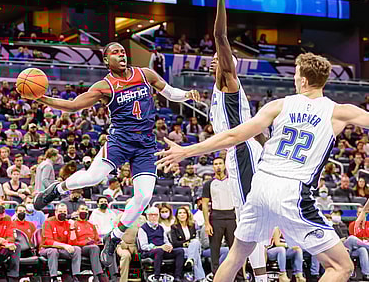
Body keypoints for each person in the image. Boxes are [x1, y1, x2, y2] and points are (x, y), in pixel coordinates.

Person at [157, 50, 366, 282]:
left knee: (237, 254)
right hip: (292, 191)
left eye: (296, 75)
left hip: (261, 186)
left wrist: (187, 151)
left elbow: (233, 136)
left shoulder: (279, 105)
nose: (294, 79)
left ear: (304, 80)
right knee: (341, 266)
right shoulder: (339, 112)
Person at [31, 41, 199, 267]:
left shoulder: (145, 74)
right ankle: (58, 189)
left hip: (145, 143)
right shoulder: (105, 86)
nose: (121, 54)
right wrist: (42, 98)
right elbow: (72, 106)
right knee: (92, 177)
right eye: (115, 52)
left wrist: (188, 94)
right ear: (106, 60)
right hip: (120, 140)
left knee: (144, 197)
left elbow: (170, 92)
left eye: (122, 51)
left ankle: (114, 237)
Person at [174, 0, 271, 282]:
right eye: (215, 57)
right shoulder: (219, 90)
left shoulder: (229, 78)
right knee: (250, 219)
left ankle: (262, 276)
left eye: (220, 55)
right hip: (240, 151)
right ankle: (260, 274)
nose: (215, 57)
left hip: (242, 151)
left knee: (249, 217)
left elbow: (219, 35)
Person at [138, 206, 184, 282]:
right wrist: (159, 247)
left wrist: (169, 246)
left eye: (155, 215)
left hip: (162, 250)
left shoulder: (161, 228)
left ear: (158, 216)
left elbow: (166, 241)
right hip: (149, 252)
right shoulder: (143, 229)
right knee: (159, 251)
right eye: (151, 215)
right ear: (147, 216)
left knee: (180, 251)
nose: (153, 217)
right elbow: (144, 246)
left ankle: (177, 276)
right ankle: (157, 277)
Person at [40, 203, 82, 281]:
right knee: (53, 251)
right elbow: (48, 241)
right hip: (47, 249)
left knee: (77, 249)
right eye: (60, 211)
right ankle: (54, 277)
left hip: (62, 250)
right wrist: (64, 246)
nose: (62, 213)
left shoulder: (67, 223)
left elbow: (73, 243)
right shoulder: (48, 222)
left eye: (64, 211)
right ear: (56, 212)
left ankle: (76, 276)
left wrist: (72, 228)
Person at [70, 204, 109, 282]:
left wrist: (97, 242)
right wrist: (85, 242)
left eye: (86, 210)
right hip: (80, 248)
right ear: (78, 212)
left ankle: (110, 275)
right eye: (82, 209)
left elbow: (97, 239)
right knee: (94, 248)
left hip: (92, 248)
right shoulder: (73, 224)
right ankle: (98, 275)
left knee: (103, 247)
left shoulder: (91, 225)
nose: (84, 211)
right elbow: (72, 242)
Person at [170, 206, 206, 282]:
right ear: (177, 215)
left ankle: (190, 260)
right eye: (180, 213)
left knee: (195, 242)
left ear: (187, 215)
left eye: (184, 213)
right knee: (196, 253)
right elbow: (175, 243)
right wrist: (187, 243)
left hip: (193, 247)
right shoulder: (174, 227)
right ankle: (200, 278)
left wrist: (191, 243)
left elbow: (196, 239)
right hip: (182, 249)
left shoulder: (192, 226)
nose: (182, 215)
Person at [116, 202, 146, 282]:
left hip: (137, 246)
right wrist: (121, 243)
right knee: (126, 256)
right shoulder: (121, 217)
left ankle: (144, 278)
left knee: (145, 255)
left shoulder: (142, 218)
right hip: (122, 245)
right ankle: (123, 280)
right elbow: (114, 232)